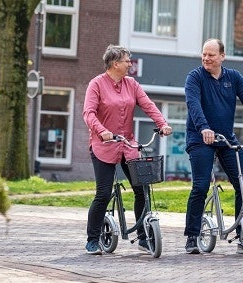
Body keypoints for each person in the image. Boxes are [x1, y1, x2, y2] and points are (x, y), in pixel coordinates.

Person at [83, 44, 172, 255]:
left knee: (142, 190)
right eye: (126, 61)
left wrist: (162, 124)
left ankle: (143, 237)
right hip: (103, 145)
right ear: (115, 64)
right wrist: (102, 131)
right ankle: (92, 239)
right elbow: (88, 113)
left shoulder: (131, 84)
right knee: (103, 194)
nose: (129, 64)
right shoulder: (96, 84)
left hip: (128, 145)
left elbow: (148, 105)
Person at [183, 38, 243, 254]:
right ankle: (192, 236)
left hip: (226, 139)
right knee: (201, 186)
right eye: (204, 54)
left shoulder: (234, 77)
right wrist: (204, 128)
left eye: (211, 55)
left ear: (222, 56)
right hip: (200, 138)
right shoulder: (195, 77)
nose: (206, 58)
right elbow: (193, 104)